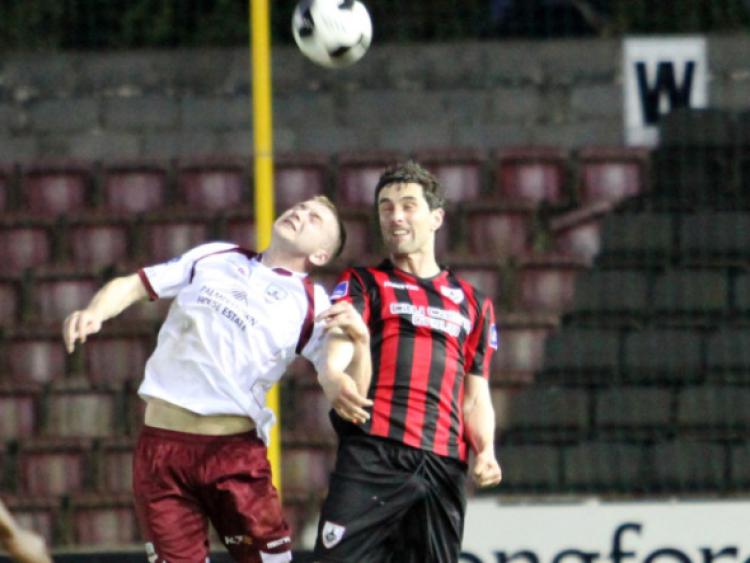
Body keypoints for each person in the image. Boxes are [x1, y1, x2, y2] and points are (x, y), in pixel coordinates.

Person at [62, 196, 372, 563]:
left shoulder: (314, 304)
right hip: (161, 452)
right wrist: (95, 311)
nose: (300, 214)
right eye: (300, 208)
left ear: (320, 255)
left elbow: (343, 380)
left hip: (233, 456)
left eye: (315, 218)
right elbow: (133, 284)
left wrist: (355, 354)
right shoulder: (215, 256)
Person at [313, 162, 502, 563]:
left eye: (408, 205)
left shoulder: (475, 303)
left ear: (436, 217)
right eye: (385, 207)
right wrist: (332, 371)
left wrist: (485, 450)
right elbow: (343, 335)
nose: (395, 216)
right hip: (374, 455)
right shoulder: (364, 282)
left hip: (443, 464)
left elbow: (475, 395)